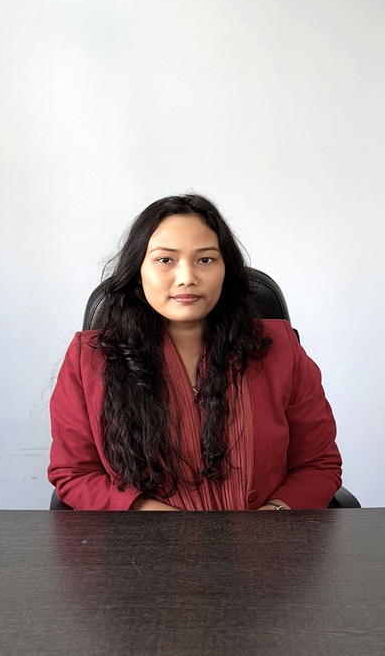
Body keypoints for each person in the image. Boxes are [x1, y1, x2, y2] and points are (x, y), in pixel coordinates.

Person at [48, 194, 341, 511]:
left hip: (264, 537)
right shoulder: (89, 359)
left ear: (226, 269)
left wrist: (271, 518)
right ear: (138, 271)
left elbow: (318, 464)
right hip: (146, 539)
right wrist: (155, 518)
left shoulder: (280, 349)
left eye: (205, 260)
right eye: (165, 260)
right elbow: (74, 473)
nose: (187, 278)